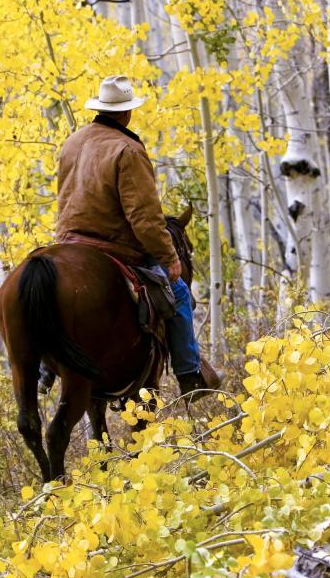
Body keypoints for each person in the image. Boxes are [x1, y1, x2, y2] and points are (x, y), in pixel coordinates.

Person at [52, 75, 221, 397]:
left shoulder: (73, 142)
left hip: (68, 241)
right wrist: (170, 257)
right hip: (112, 244)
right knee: (180, 293)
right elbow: (144, 217)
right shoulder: (127, 149)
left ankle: (47, 369)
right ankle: (190, 374)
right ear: (127, 113)